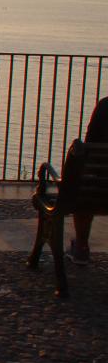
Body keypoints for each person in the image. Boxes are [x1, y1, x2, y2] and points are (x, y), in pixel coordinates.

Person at [68, 95, 108, 264]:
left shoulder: (105, 106)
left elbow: (89, 144)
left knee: (85, 191)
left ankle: (81, 246)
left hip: (99, 191)